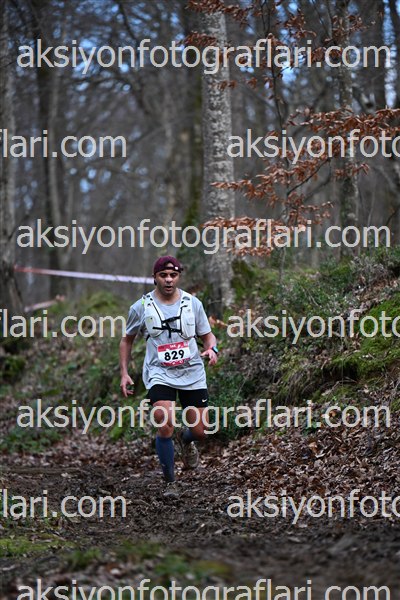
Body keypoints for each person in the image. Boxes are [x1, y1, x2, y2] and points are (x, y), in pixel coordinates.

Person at [119, 256, 218, 498]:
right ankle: (170, 482)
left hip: (192, 371)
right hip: (159, 372)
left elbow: (208, 336)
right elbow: (126, 340)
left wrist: (212, 349)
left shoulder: (192, 303)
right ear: (155, 277)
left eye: (173, 275)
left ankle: (186, 440)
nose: (169, 280)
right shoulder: (141, 307)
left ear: (179, 277)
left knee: (201, 431)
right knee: (164, 422)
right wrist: (124, 372)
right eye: (163, 275)